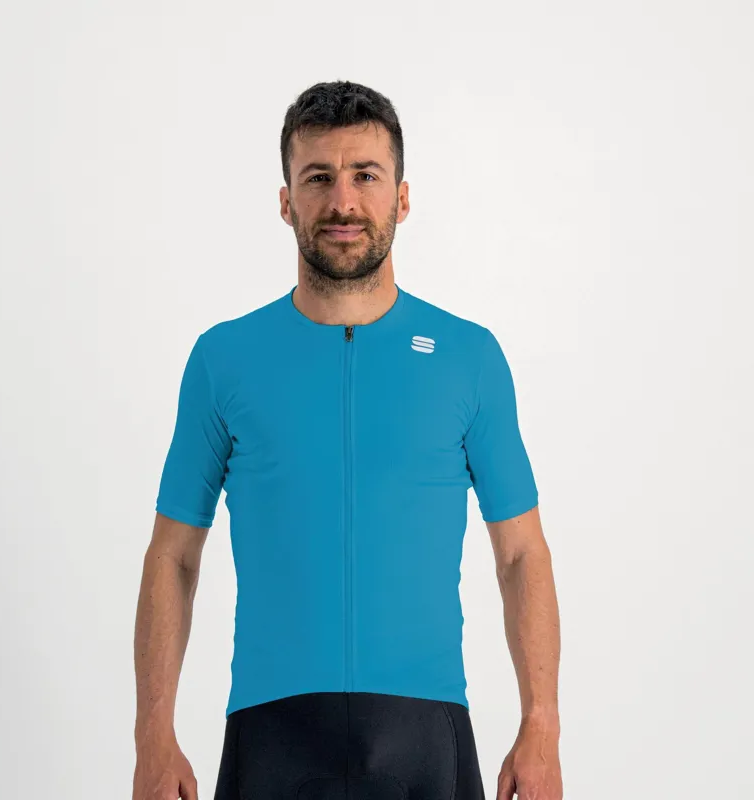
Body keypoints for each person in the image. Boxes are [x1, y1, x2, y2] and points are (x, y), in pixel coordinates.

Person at [133, 80, 562, 800]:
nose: (343, 202)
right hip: (272, 731)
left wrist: (541, 727)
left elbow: (522, 552)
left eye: (365, 175)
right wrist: (153, 736)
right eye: (318, 178)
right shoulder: (224, 359)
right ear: (285, 201)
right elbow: (173, 554)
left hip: (425, 733)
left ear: (401, 197)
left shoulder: (468, 357)